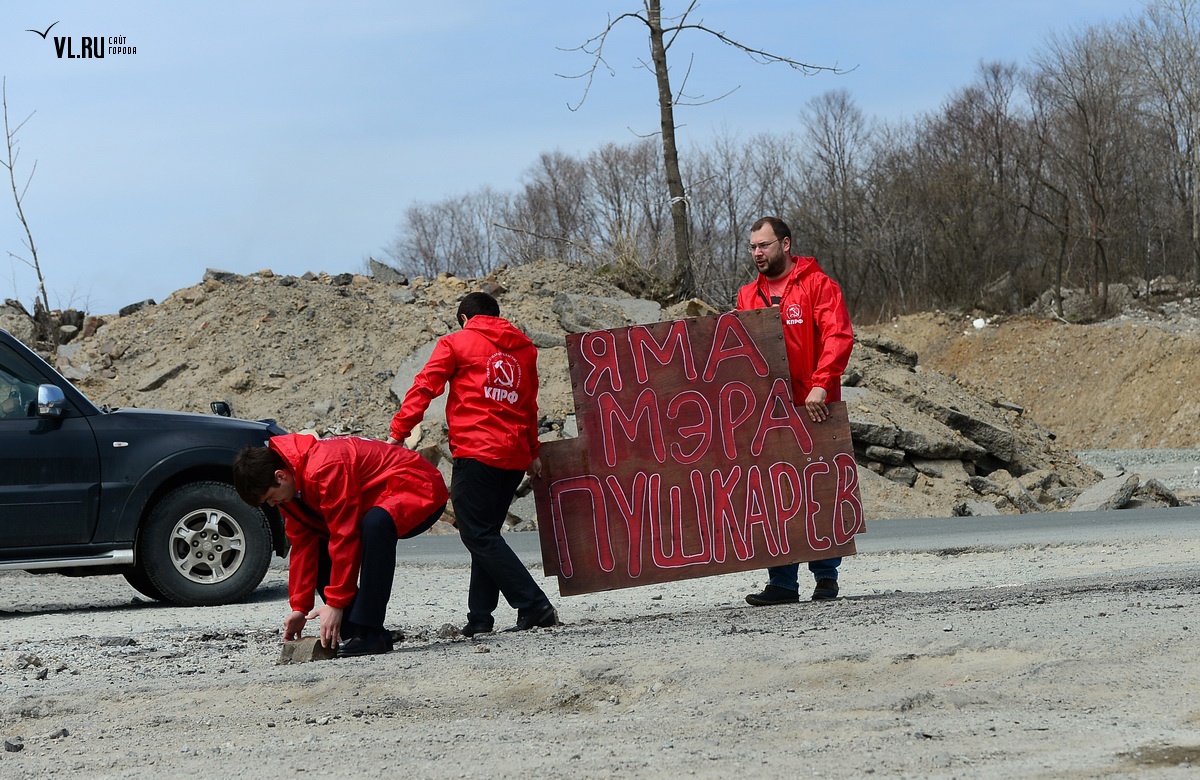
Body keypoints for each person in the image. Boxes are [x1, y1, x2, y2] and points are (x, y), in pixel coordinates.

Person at [387, 291, 558, 636]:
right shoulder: (524, 350)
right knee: (486, 534)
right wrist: (532, 452)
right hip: (513, 457)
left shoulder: (456, 342)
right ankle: (480, 618)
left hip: (477, 451)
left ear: (465, 319)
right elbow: (529, 404)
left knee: (476, 534)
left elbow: (424, 387)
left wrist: (398, 432)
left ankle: (534, 605)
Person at [232, 433, 448, 657]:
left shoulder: (324, 468)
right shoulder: (290, 490)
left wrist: (335, 604)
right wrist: (299, 608)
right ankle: (354, 632)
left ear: (280, 476)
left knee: (374, 525)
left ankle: (369, 632)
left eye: (270, 497)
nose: (272, 504)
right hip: (380, 496)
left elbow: (345, 535)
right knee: (323, 541)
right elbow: (303, 547)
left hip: (418, 485)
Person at [736, 215, 855, 605]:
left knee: (820, 488)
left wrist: (822, 383)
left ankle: (826, 577)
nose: (757, 252)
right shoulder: (747, 296)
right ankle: (782, 583)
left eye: (764, 245)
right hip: (769, 411)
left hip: (815, 405)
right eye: (752, 246)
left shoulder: (818, 286)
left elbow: (838, 336)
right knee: (775, 490)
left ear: (785, 244)